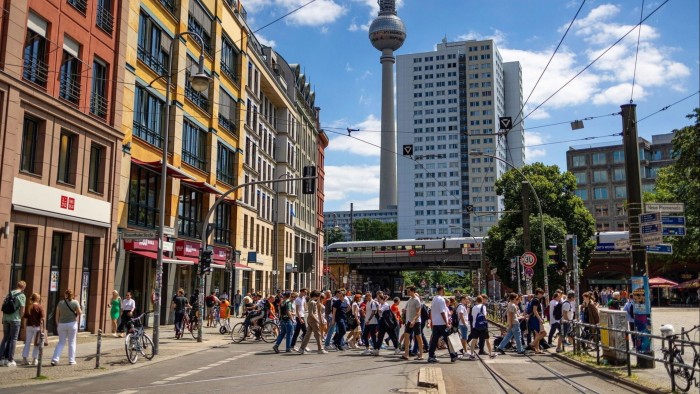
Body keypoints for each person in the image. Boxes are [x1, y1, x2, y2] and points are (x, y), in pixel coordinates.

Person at [427, 286, 460, 363]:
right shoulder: (441, 299)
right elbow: (442, 312)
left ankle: (431, 356)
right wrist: (446, 322)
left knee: (434, 340)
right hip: (442, 323)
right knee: (448, 338)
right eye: (444, 290)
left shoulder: (434, 299)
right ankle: (453, 355)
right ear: (441, 290)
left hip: (436, 323)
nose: (445, 291)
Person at [51, 289, 82, 366]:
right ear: (72, 295)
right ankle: (71, 360)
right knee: (72, 342)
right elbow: (79, 313)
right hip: (72, 324)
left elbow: (57, 314)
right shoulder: (75, 302)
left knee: (61, 342)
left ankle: (55, 359)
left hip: (62, 324)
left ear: (65, 295)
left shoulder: (60, 303)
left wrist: (57, 323)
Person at [0, 280, 26, 367]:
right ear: (23, 287)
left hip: (6, 318)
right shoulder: (22, 295)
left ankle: (1, 358)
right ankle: (10, 359)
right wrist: (20, 317)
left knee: (5, 338)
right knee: (14, 339)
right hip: (15, 319)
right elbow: (22, 309)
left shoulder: (9, 294)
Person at [22, 292, 44, 365]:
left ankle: (24, 358)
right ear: (37, 299)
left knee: (27, 343)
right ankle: (35, 359)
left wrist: (24, 327)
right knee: (36, 343)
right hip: (37, 327)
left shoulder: (29, 306)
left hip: (29, 326)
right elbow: (42, 318)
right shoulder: (39, 307)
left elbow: (25, 318)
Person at [402, 286, 423, 360]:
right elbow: (409, 309)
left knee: (418, 337)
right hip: (409, 321)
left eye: (409, 291)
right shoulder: (410, 299)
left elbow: (418, 312)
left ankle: (421, 355)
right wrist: (405, 310)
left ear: (413, 291)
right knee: (406, 335)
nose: (407, 293)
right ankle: (406, 354)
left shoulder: (417, 300)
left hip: (416, 322)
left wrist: (414, 320)